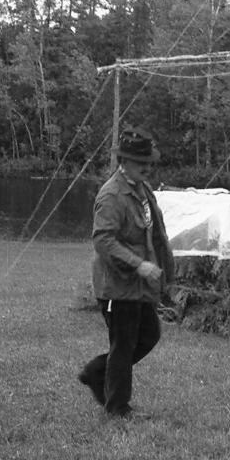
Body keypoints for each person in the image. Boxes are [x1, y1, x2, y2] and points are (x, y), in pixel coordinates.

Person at [78, 126, 175, 419]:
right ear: (124, 161)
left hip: (138, 285)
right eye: (141, 162)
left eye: (149, 162)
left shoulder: (142, 189)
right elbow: (103, 240)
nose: (147, 167)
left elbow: (154, 233)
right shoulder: (111, 195)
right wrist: (138, 264)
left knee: (149, 335)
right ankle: (118, 407)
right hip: (117, 286)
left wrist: (165, 271)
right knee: (124, 344)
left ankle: (97, 372)